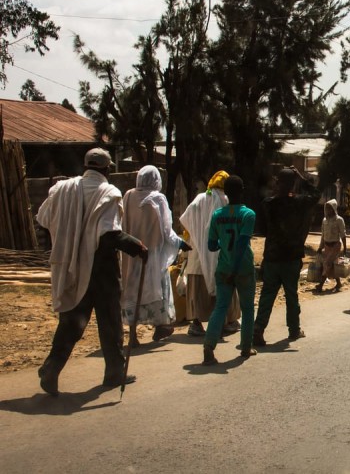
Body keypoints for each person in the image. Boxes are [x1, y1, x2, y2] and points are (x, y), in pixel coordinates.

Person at [36, 148, 148, 396]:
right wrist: (136, 245)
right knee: (109, 321)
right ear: (107, 169)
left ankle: (51, 370)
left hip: (71, 265)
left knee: (72, 322)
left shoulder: (62, 189)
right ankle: (114, 372)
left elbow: (42, 218)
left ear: (86, 166)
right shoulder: (108, 192)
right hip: (102, 268)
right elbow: (109, 235)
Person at [121, 166, 190, 347]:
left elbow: (122, 224)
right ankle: (161, 326)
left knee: (133, 291)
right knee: (157, 289)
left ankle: (133, 335)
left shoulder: (128, 196)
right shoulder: (158, 199)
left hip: (131, 254)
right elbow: (167, 232)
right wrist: (181, 243)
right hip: (153, 256)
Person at [253, 167, 320, 345]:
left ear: (277, 183)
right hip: (291, 258)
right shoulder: (299, 202)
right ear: (293, 184)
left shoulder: (268, 204)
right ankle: (294, 330)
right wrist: (302, 179)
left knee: (267, 296)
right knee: (291, 296)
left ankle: (258, 330)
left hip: (273, 258)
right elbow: (316, 194)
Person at [202, 176, 257, 365]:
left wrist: (222, 245)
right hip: (243, 268)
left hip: (223, 267)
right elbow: (242, 243)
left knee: (220, 307)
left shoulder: (217, 215)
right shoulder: (248, 214)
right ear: (242, 191)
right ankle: (246, 347)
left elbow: (211, 246)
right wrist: (235, 267)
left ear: (225, 193)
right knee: (248, 308)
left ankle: (209, 347)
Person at [179, 171, 242, 337]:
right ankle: (228, 321)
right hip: (221, 253)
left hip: (198, 254)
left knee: (198, 292)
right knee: (223, 287)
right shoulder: (227, 200)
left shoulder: (199, 199)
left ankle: (196, 324)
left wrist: (197, 236)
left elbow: (185, 219)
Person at [316, 199, 347, 292]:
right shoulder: (324, 220)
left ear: (334, 208)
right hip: (327, 246)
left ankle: (320, 285)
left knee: (327, 263)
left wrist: (345, 248)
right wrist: (320, 247)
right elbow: (323, 235)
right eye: (327, 208)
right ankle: (339, 283)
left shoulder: (339, 220)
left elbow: (343, 234)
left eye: (330, 208)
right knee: (332, 265)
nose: (328, 210)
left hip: (335, 246)